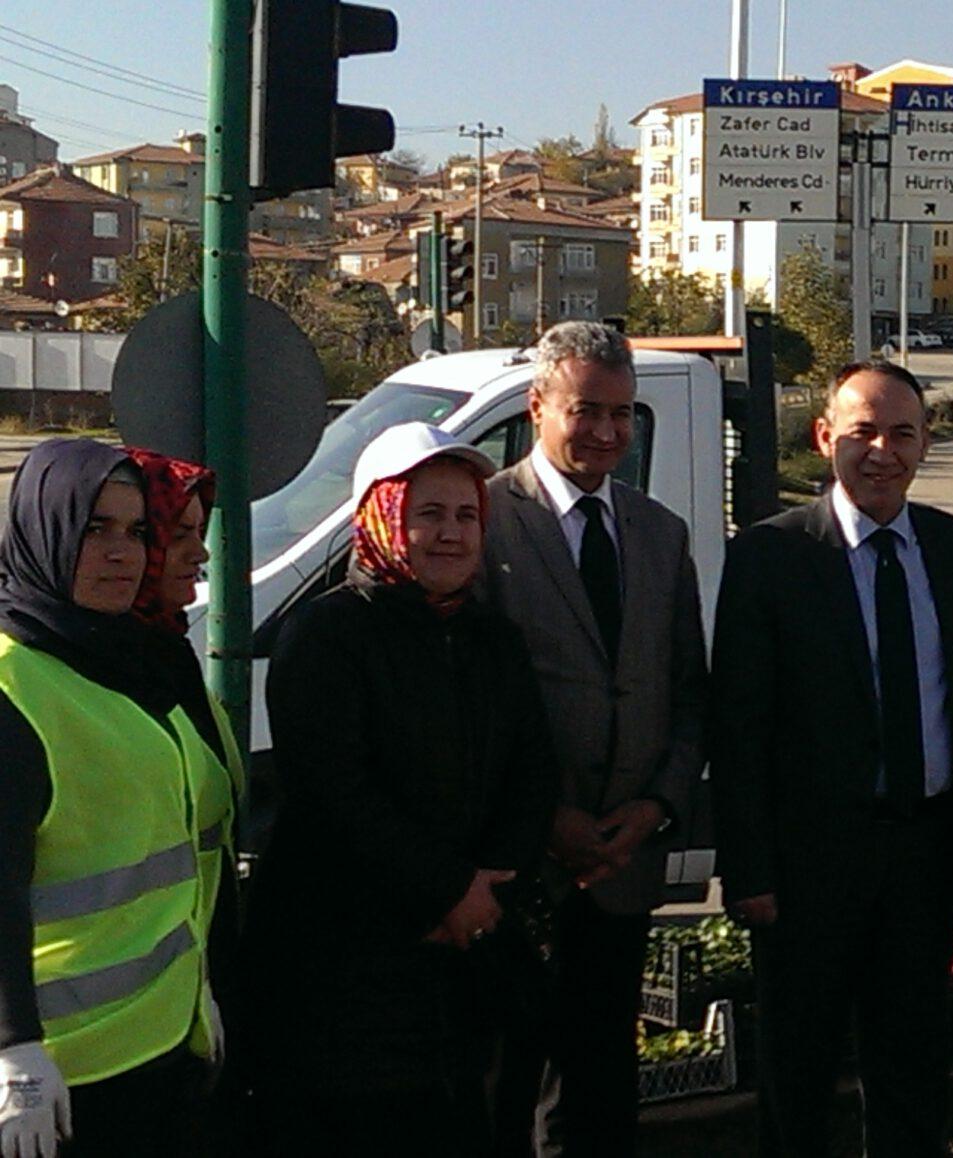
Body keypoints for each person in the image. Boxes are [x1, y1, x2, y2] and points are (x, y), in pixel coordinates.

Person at [243, 423, 556, 1156]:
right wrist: (446, 889)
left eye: (466, 515)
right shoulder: (326, 637)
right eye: (429, 514)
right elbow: (336, 795)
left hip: (465, 966)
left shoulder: (491, 640)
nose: (451, 535)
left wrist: (485, 896)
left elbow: (531, 773)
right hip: (349, 980)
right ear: (382, 518)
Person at [711, 361, 953, 1156]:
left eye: (902, 433)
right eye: (863, 431)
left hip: (923, 858)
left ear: (926, 443)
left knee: (912, 1074)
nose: (882, 451)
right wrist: (750, 870)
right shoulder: (773, 554)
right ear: (824, 436)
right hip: (808, 868)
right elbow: (739, 720)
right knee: (797, 1078)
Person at [479, 320, 710, 1155]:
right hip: (521, 871)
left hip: (625, 867)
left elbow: (688, 690)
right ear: (539, 406)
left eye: (623, 413)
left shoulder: (659, 533)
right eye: (587, 412)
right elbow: (476, 706)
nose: (608, 433)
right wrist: (548, 819)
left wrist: (655, 807)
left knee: (603, 1087)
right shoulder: (484, 522)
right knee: (512, 1089)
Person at [0, 441, 220, 1158]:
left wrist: (197, 988)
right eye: (95, 529)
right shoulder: (13, 683)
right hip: (61, 1080)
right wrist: (13, 1049)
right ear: (45, 529)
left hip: (157, 1050)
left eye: (136, 531)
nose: (121, 552)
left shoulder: (130, 658)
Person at [123, 448, 247, 1145]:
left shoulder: (168, 650)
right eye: (181, 533)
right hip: (129, 1027)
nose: (201, 553)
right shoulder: (111, 664)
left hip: (194, 984)